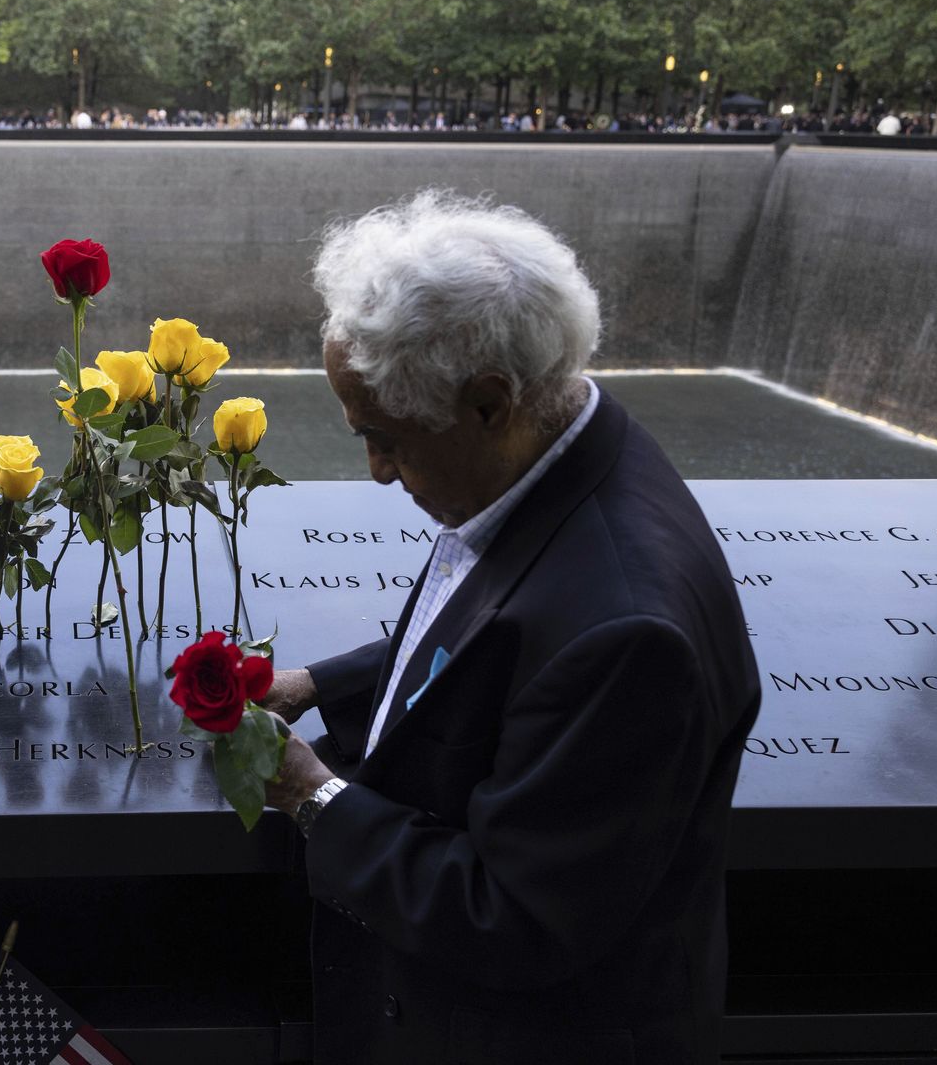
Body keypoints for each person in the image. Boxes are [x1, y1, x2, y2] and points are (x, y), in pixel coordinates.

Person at [258, 191, 762, 1063]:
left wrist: (314, 797)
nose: (377, 471)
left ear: (490, 402)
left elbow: (514, 917)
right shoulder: (571, 454)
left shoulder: (630, 632)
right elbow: (507, 638)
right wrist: (320, 686)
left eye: (386, 438)